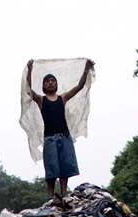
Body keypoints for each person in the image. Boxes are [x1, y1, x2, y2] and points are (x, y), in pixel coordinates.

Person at [26, 59, 94, 205]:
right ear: (43, 86)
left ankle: (63, 193)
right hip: (50, 138)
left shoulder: (62, 98)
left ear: (56, 84)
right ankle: (50, 195)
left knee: (65, 167)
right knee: (51, 168)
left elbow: (80, 86)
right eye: (47, 81)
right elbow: (28, 90)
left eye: (53, 81)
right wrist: (30, 70)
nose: (50, 83)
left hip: (65, 137)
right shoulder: (41, 100)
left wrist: (87, 68)